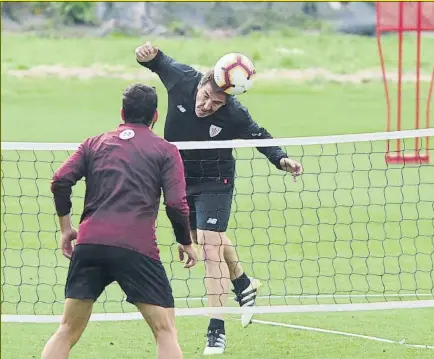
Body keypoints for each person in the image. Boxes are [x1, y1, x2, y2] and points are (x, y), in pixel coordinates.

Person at [135, 42, 304, 355]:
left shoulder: (234, 113)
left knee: (210, 247)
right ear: (202, 83)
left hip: (216, 180)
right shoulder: (182, 77)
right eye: (206, 97)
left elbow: (259, 136)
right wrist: (145, 54)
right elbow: (157, 60)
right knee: (201, 237)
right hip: (179, 178)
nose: (207, 105)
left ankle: (216, 329)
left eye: (216, 103)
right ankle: (243, 284)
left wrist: (282, 159)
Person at [41, 84, 197, 359]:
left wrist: (66, 229)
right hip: (136, 249)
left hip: (90, 244)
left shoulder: (94, 143)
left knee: (66, 330)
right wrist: (186, 242)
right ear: (156, 116)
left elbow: (60, 181)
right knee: (165, 331)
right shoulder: (165, 151)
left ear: (123, 112)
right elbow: (175, 203)